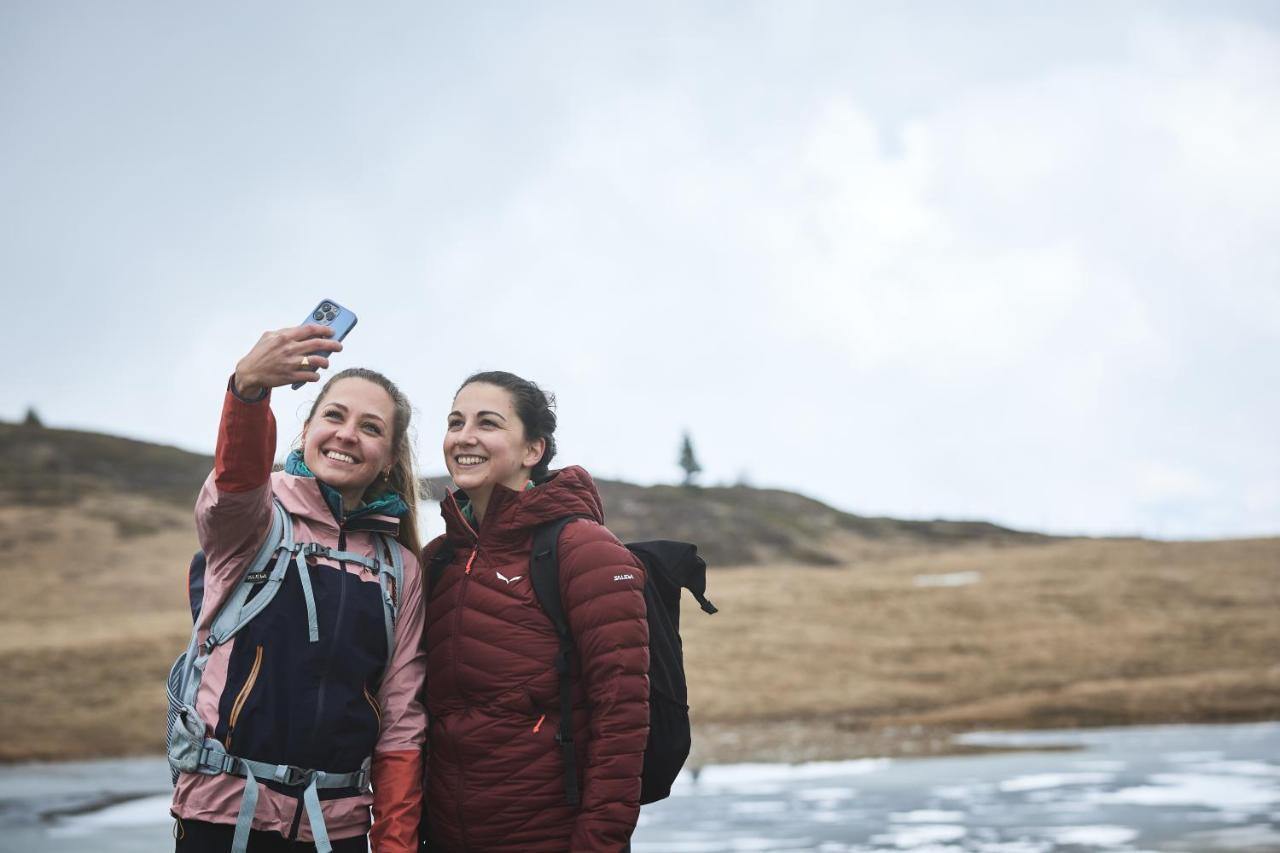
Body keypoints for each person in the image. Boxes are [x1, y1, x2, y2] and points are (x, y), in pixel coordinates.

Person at [170, 324, 426, 853]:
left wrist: (396, 844)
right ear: (306, 429)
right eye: (334, 416)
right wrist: (249, 390)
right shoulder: (256, 522)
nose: (348, 434)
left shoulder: (400, 568)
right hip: (222, 818)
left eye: (371, 428)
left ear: (390, 457)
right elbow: (235, 480)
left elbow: (401, 720)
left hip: (338, 830)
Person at [420, 371, 649, 852]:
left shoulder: (581, 549)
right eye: (455, 421)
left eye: (488, 423)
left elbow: (622, 714)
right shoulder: (439, 558)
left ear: (532, 451)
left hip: (552, 837)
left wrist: (599, 842)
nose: (465, 437)